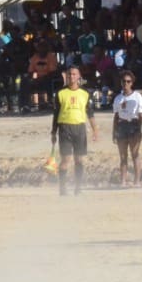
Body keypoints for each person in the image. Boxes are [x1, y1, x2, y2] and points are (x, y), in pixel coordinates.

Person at [50, 65, 97, 196]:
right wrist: (53, 132)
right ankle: (63, 188)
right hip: (65, 128)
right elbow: (56, 114)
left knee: (79, 160)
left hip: (80, 128)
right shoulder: (60, 93)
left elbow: (90, 113)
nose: (71, 76)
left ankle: (78, 187)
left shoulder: (85, 93)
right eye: (69, 74)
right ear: (66, 76)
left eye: (74, 74)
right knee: (65, 159)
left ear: (79, 76)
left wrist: (95, 130)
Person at [110, 70, 142, 187]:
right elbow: (116, 116)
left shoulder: (137, 97)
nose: (126, 83)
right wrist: (114, 132)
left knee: (135, 154)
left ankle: (137, 181)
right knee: (123, 156)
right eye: (124, 81)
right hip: (122, 125)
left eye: (128, 81)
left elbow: (141, 115)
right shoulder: (118, 98)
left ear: (132, 83)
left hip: (133, 124)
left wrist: (139, 129)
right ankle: (123, 181)